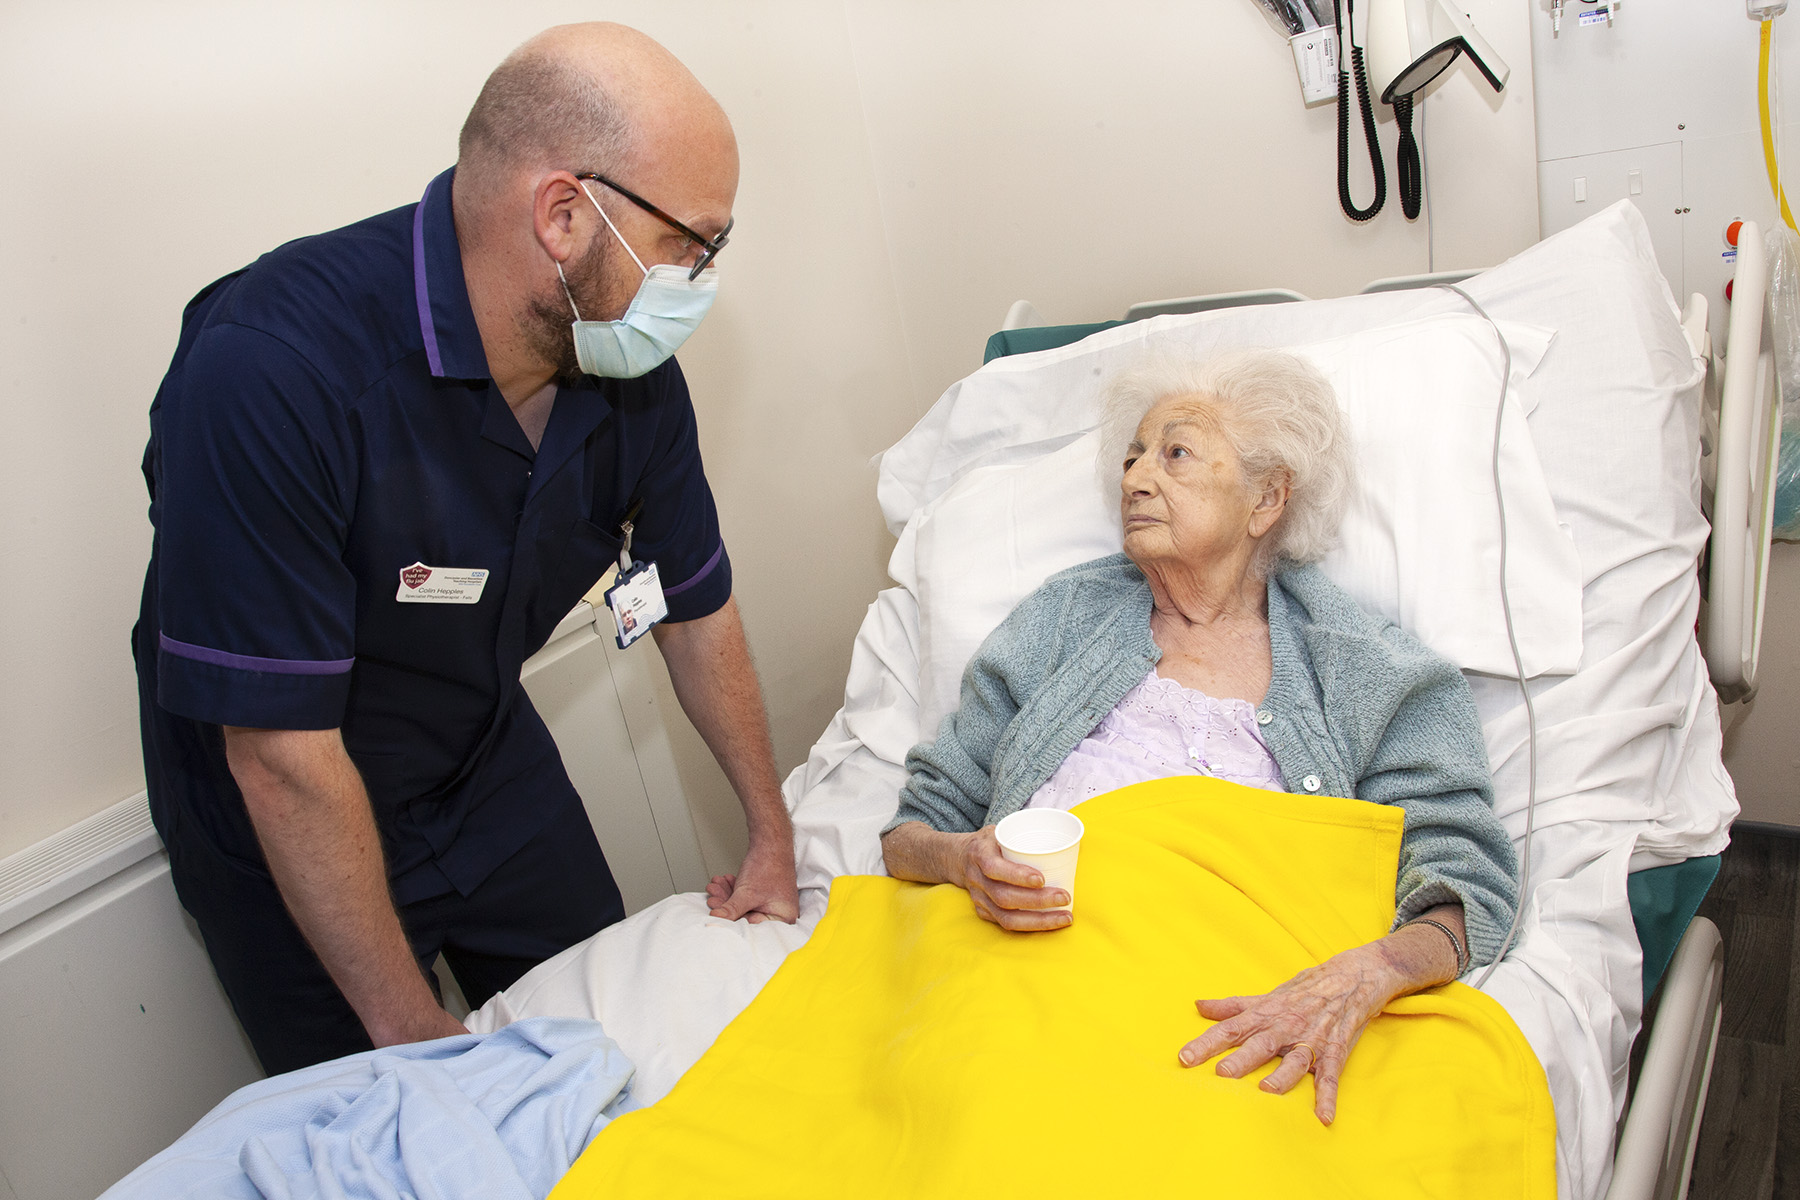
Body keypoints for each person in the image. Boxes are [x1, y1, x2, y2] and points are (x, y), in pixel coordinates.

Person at [134, 23, 797, 1076]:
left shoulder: (629, 379)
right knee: (394, 1120)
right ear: (564, 216)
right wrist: (413, 1038)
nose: (703, 277)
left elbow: (690, 603)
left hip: (484, 764)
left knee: (599, 1058)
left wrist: (771, 831)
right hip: (287, 819)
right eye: (692, 242)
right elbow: (280, 756)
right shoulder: (272, 371)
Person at [879, 349, 1519, 1125]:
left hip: (1234, 1014)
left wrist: (1373, 970)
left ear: (1266, 499)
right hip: (1019, 988)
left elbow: (1468, 887)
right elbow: (915, 826)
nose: (1136, 478)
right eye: (1132, 456)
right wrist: (961, 862)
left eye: (1175, 453)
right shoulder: (1061, 620)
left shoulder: (1368, 668)